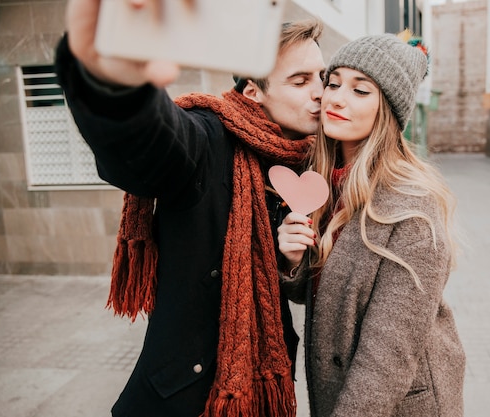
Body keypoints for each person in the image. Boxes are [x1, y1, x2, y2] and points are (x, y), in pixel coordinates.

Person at [54, 1, 325, 416]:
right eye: (300, 80)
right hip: (186, 395)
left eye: (321, 76)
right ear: (253, 91)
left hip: (264, 385)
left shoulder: (306, 162)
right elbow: (151, 146)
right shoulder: (209, 137)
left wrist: (289, 263)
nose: (320, 92)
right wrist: (113, 83)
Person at [277, 34, 466, 417]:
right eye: (333, 83)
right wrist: (293, 260)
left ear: (388, 111)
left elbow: (388, 356)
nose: (335, 98)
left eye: (360, 90)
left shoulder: (411, 209)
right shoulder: (325, 183)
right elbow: (327, 300)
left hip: (397, 404)